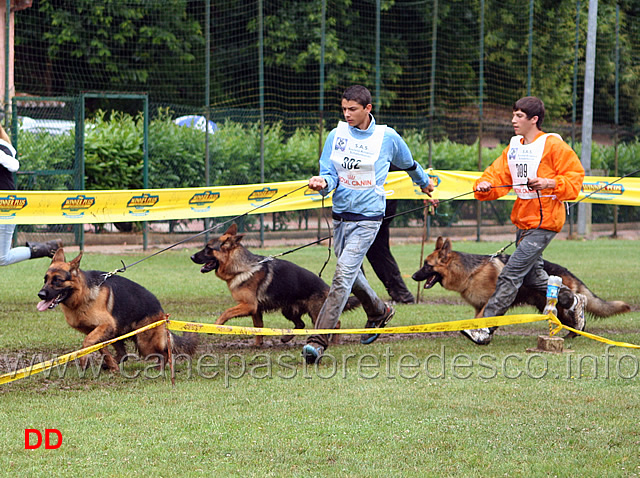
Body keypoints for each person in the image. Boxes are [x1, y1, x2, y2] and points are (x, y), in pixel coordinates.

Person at [302, 85, 436, 364]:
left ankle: (318, 340)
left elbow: (410, 164)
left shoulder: (387, 137)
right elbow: (330, 174)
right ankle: (378, 311)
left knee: (342, 276)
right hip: (340, 216)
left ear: (367, 109)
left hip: (369, 218)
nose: (347, 114)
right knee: (349, 274)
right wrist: (322, 183)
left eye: (352, 109)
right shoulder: (335, 136)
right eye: (343, 109)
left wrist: (425, 185)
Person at [463, 96, 586, 345]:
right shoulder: (514, 147)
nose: (513, 120)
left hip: (546, 220)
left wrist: (551, 183)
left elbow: (576, 179)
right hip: (522, 221)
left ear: (534, 119)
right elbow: (497, 174)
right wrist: (485, 185)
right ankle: (572, 300)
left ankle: (485, 329)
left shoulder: (553, 145)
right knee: (531, 277)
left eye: (519, 116)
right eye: (513, 114)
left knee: (510, 274)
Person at [0, 122, 61, 265]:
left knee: (2, 258)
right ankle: (46, 248)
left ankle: (46, 249)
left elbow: (14, 165)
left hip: (5, 206)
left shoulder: (4, 147)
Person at [365, 195, 416, 304]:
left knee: (371, 251)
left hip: (375, 202)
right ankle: (401, 294)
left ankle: (359, 296)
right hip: (378, 201)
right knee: (377, 251)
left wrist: (424, 184)